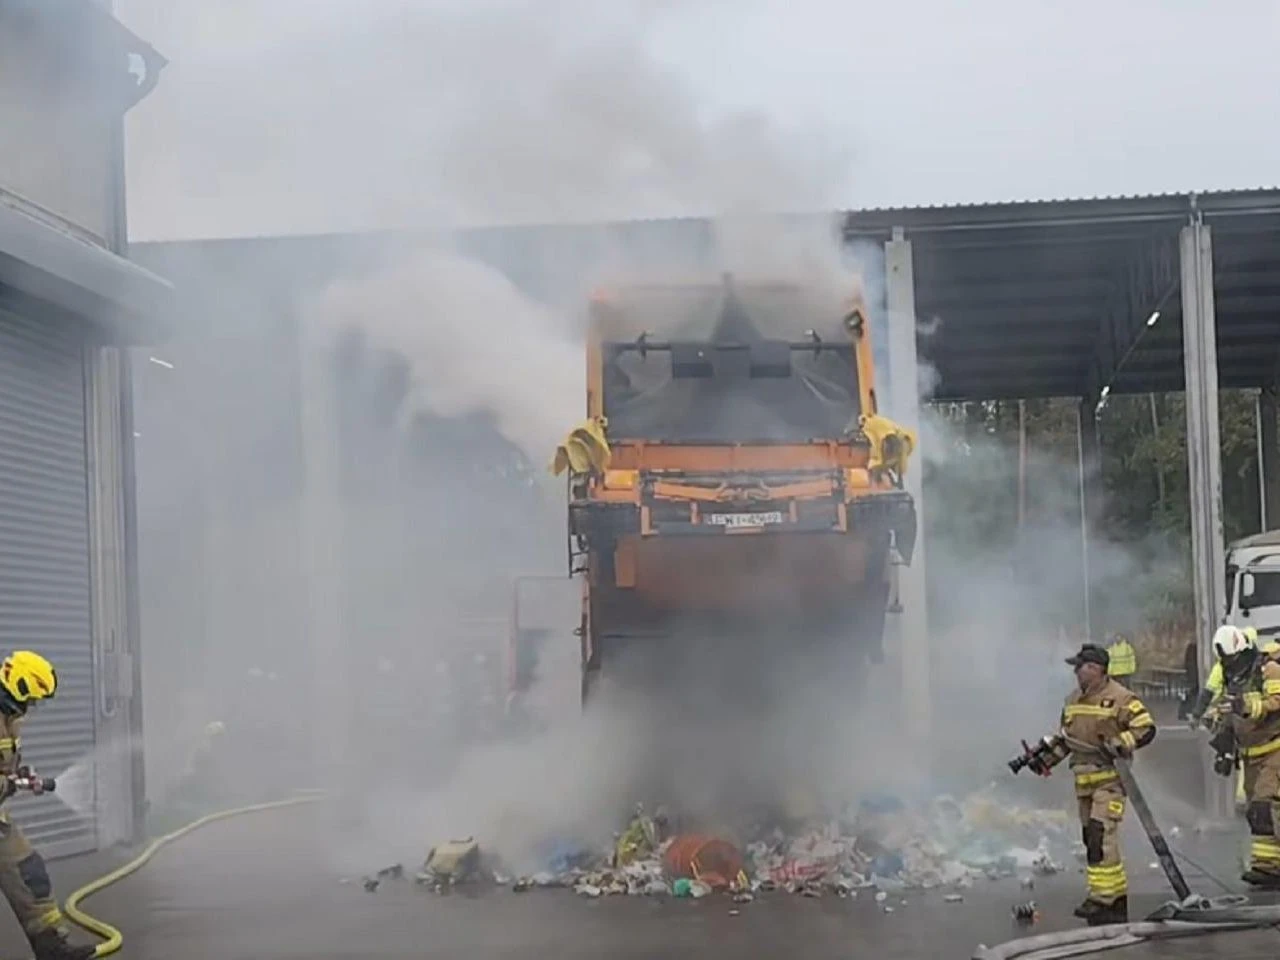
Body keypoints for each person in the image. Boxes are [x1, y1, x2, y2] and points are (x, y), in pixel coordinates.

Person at [1038, 643, 1157, 924]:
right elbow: (1067, 741)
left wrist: (1120, 743)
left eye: (1081, 666)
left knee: (1100, 833)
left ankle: (1105, 899)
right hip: (1084, 784)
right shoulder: (1072, 701)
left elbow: (1146, 728)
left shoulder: (1121, 698)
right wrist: (1045, 761)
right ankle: (1108, 897)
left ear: (1097, 669)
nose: (1076, 672)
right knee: (1091, 839)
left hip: (1111, 781)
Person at [0, 651, 94, 959]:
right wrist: (10, 784)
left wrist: (19, 776)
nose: (32, 706)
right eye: (33, 698)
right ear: (21, 686)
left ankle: (52, 949)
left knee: (30, 872)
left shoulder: (8, 719)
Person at [1203, 625, 1280, 887]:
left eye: (1231, 658)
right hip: (1249, 755)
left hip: (1274, 749)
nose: (1228, 663)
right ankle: (1267, 867)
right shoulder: (1230, 675)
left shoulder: (1267, 670)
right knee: (1255, 812)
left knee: (1265, 804)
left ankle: (1270, 866)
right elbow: (1226, 710)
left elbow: (1276, 700)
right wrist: (1219, 732)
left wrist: (1247, 706)